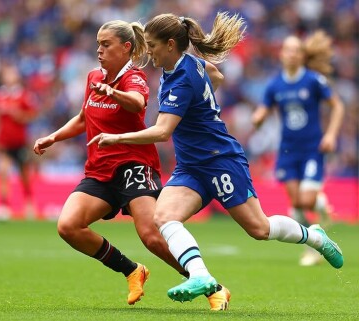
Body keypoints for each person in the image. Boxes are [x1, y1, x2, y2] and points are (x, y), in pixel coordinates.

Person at [88, 13, 344, 304]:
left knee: (259, 229)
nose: (149, 52)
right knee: (164, 216)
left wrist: (116, 138)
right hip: (191, 167)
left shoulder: (180, 80)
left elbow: (162, 132)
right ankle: (200, 275)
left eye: (152, 45)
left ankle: (316, 237)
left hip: (220, 161)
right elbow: (216, 75)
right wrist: (201, 106)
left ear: (170, 44)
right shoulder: (190, 64)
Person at [33, 20, 230, 309]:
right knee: (68, 226)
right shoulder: (93, 78)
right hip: (100, 169)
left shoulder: (133, 78)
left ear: (126, 48)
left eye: (106, 44)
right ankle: (132, 270)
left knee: (151, 235)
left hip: (134, 165)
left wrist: (113, 93)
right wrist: (53, 136)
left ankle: (212, 286)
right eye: (98, 43)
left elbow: (137, 103)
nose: (99, 49)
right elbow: (83, 118)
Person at [251, 31, 345, 266]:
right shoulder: (275, 85)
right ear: (282, 55)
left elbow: (337, 106)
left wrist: (331, 134)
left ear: (302, 56)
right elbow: (263, 109)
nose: (291, 54)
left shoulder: (313, 80)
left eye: (296, 50)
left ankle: (321, 205)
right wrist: (258, 118)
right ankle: (314, 247)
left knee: (305, 200)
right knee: (296, 205)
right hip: (288, 152)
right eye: (287, 50)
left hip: (313, 148)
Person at [0, 63, 39, 219]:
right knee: (2, 172)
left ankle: (29, 204)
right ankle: (4, 206)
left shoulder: (23, 95)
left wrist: (17, 114)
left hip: (20, 142)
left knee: (24, 175)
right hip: (4, 142)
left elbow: (32, 115)